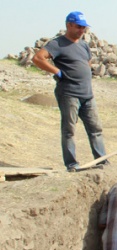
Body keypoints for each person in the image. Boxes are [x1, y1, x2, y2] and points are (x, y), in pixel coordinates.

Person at [32, 11, 107, 171]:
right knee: (69, 130)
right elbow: (38, 58)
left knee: (95, 129)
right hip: (69, 93)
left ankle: (102, 161)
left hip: (87, 95)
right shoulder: (57, 44)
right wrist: (56, 71)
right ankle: (72, 164)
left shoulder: (83, 45)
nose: (82, 30)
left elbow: (86, 63)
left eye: (84, 28)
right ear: (69, 25)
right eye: (79, 27)